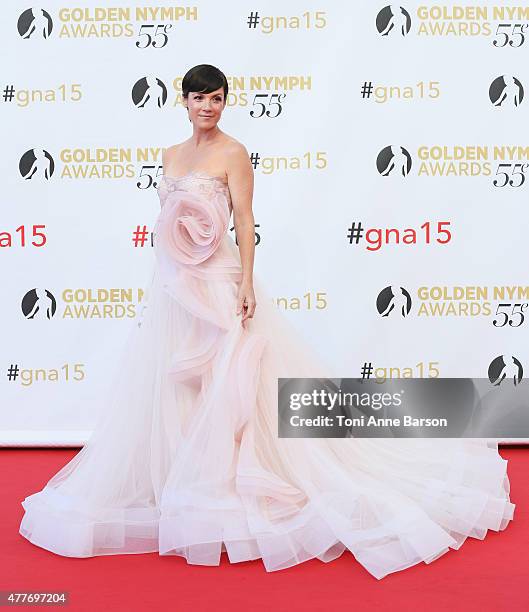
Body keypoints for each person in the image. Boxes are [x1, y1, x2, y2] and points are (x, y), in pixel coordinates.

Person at [19, 64, 515, 580]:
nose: (207, 107)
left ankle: (229, 484)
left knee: (233, 383)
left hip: (220, 282)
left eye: (216, 98)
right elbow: (168, 225)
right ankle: (180, 479)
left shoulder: (233, 153)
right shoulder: (169, 156)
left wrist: (247, 282)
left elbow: (245, 220)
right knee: (179, 386)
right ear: (182, 101)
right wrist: (166, 279)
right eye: (198, 98)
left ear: (225, 102)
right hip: (174, 289)